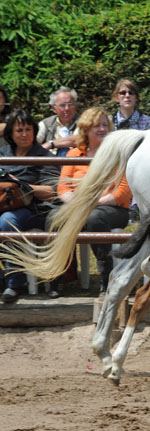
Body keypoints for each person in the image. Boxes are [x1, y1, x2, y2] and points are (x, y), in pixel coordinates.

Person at [54, 107, 131, 294]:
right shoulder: (73, 154)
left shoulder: (118, 154)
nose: (103, 129)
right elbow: (63, 188)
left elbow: (122, 192)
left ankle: (107, 275)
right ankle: (57, 278)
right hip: (79, 206)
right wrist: (77, 203)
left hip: (113, 209)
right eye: (97, 126)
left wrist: (91, 202)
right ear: (86, 129)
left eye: (105, 125)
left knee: (94, 219)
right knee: (53, 219)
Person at [0, 110, 59, 303]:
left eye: (28, 129)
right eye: (19, 130)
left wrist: (23, 187)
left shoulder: (43, 155)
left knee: (7, 222)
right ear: (11, 133)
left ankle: (15, 283)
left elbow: (52, 191)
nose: (24, 134)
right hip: (4, 206)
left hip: (36, 210)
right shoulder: (3, 154)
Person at [111, 79, 150, 223]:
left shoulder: (149, 122)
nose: (127, 96)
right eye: (123, 92)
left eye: (131, 93)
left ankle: (136, 208)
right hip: (114, 166)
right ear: (116, 97)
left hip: (139, 165)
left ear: (136, 98)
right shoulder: (107, 122)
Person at [37, 86, 80, 157]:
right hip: (48, 164)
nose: (67, 108)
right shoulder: (46, 124)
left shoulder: (82, 122)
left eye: (70, 104)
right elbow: (32, 141)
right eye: (62, 105)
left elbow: (79, 139)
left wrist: (51, 144)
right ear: (54, 108)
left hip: (74, 162)